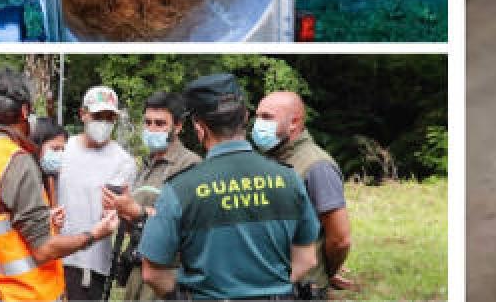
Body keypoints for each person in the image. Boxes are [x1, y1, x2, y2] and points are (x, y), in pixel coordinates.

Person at [138, 73, 320, 300]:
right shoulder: (289, 179)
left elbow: (152, 273)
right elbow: (307, 259)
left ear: (198, 127)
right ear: (244, 116)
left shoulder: (179, 189)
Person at [0, 67, 118, 301]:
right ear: (25, 110)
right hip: (19, 294)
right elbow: (43, 249)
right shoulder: (16, 160)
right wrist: (94, 234)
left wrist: (43, 219)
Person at [100, 91, 201, 302]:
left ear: (178, 126)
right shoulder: (146, 166)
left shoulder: (190, 166)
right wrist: (121, 212)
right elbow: (136, 223)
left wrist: (136, 212)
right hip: (137, 271)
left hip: (166, 275)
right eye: (148, 123)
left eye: (160, 123)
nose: (152, 129)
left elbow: (187, 225)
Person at [254, 91, 355, 299]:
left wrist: (327, 272)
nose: (257, 124)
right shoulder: (270, 159)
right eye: (257, 116)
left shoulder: (316, 166)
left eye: (267, 117)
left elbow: (340, 239)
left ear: (294, 122)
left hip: (302, 290)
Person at [58, 85, 137, 300]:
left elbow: (125, 217)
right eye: (97, 116)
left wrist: (119, 211)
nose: (103, 123)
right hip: (55, 257)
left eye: (109, 117)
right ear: (83, 114)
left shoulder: (124, 162)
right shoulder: (63, 149)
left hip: (92, 267)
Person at [30, 116, 69, 205]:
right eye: (55, 149)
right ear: (35, 146)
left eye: (63, 150)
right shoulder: (25, 183)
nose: (61, 155)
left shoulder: (55, 180)